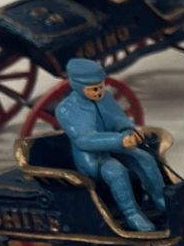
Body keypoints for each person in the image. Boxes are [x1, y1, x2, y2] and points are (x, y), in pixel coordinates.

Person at [57, 58, 167, 233]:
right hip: (93, 158)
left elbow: (118, 119)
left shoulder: (105, 98)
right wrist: (119, 140)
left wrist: (128, 130)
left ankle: (160, 199)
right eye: (94, 89)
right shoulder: (66, 109)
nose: (99, 92)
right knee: (116, 171)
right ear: (78, 86)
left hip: (116, 146)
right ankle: (132, 214)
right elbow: (84, 139)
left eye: (101, 86)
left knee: (145, 158)